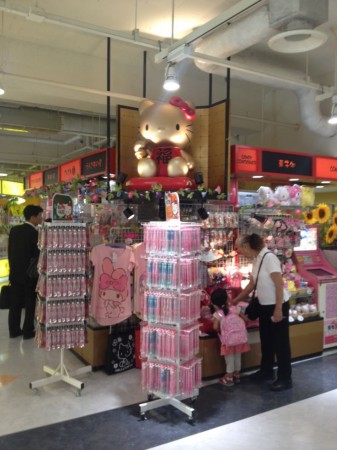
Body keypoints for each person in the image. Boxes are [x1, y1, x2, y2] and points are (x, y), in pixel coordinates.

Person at [233, 233, 292, 392]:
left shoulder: (269, 258)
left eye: (240, 248)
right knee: (266, 340)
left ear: (247, 246)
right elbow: (252, 284)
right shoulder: (257, 259)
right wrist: (235, 300)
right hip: (264, 305)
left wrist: (278, 309)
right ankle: (266, 371)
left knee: (281, 344)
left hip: (277, 305)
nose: (240, 251)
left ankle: (285, 378)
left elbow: (279, 285)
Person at [8, 204, 43, 339]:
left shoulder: (15, 230)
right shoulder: (35, 234)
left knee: (15, 303)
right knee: (30, 303)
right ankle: (28, 330)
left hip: (15, 273)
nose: (41, 219)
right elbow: (36, 255)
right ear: (33, 217)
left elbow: (11, 251)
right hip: (29, 275)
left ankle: (14, 330)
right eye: (39, 216)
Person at [211, 288, 250, 386]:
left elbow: (215, 327)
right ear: (227, 299)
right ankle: (237, 374)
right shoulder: (235, 309)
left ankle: (229, 377)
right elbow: (245, 318)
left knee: (229, 359)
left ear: (215, 304)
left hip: (228, 341)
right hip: (240, 339)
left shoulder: (219, 313)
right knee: (237, 356)